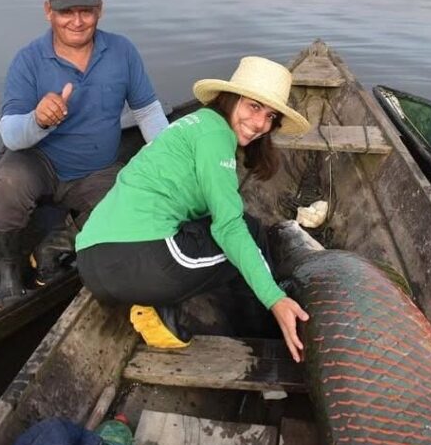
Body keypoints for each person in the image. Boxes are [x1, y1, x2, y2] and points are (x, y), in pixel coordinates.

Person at [75, 56, 313, 362]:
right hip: (144, 261)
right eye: (254, 107)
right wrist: (275, 298)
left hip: (92, 263)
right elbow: (228, 227)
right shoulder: (215, 135)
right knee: (249, 234)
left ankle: (161, 302)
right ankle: (267, 336)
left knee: (224, 228)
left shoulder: (191, 125)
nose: (260, 125)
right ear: (230, 98)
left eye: (270, 117)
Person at [0, 0, 168, 309]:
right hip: (39, 164)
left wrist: (167, 159)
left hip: (97, 169)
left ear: (99, 9)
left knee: (143, 209)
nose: (77, 21)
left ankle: (55, 244)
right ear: (48, 11)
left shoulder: (121, 51)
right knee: (9, 181)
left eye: (85, 11)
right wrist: (38, 120)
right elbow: (11, 133)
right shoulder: (28, 60)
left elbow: (146, 112)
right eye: (66, 12)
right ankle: (7, 266)